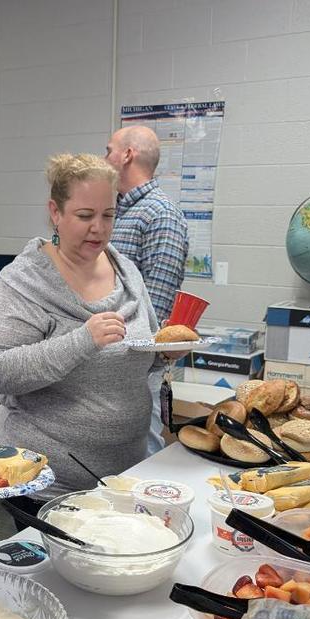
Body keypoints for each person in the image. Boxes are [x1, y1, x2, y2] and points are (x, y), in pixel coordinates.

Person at [0, 154, 161, 501]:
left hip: (124, 476)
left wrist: (165, 352)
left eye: (108, 215)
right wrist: (81, 341)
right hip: (46, 484)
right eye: (84, 215)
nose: (99, 227)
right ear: (55, 212)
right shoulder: (25, 280)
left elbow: (141, 357)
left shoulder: (127, 272)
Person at [105, 125, 190, 455]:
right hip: (106, 368)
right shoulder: (117, 212)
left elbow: (156, 310)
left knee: (139, 467)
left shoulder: (160, 214)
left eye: (109, 150)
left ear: (127, 155)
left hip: (138, 375)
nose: (104, 157)